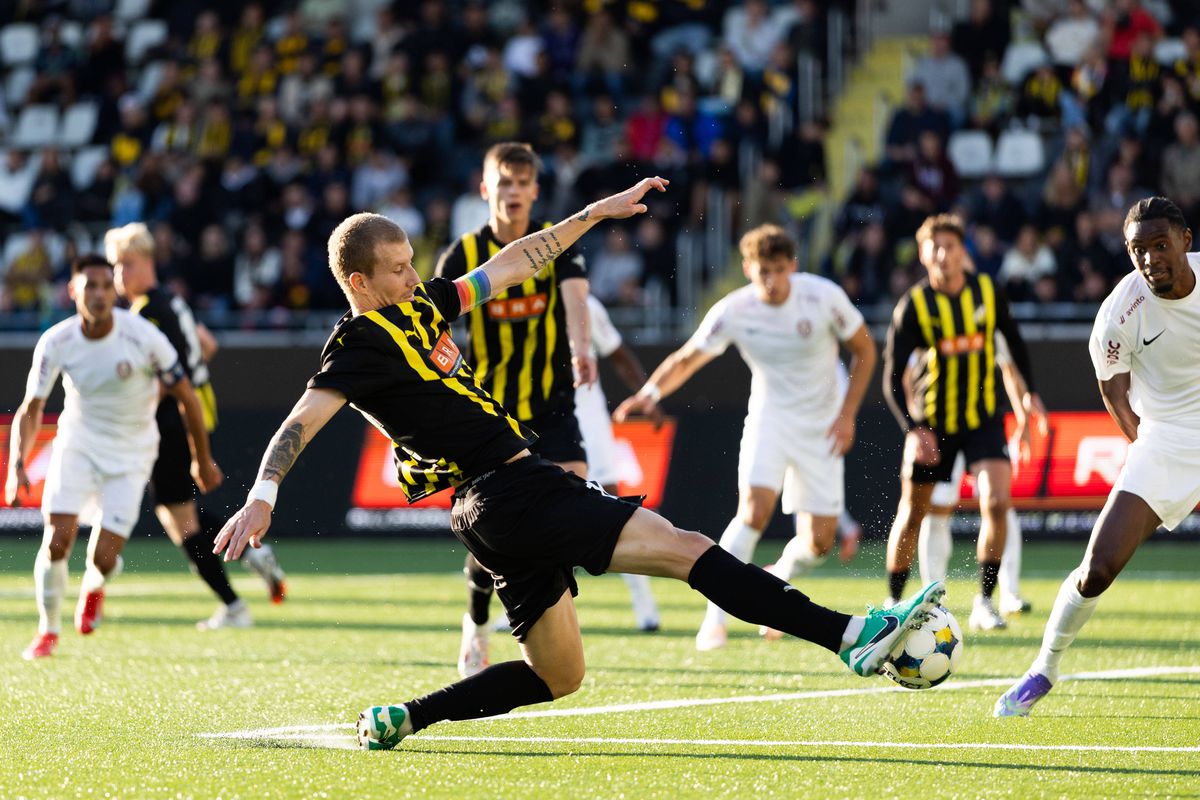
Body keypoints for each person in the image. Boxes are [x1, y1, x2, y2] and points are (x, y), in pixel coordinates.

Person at [212, 180, 946, 751]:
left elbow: (509, 262)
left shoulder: (425, 307)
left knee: (559, 676)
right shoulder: (359, 344)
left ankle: (408, 716)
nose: (412, 277)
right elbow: (300, 421)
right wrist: (262, 493)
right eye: (397, 270)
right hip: (511, 487)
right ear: (358, 282)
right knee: (691, 551)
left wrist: (593, 214)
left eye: (411, 265)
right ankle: (852, 636)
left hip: (488, 514)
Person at [616, 224, 879, 651]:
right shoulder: (734, 310)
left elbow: (865, 349)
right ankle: (714, 618)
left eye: (779, 270)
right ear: (747, 269)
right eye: (762, 272)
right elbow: (688, 358)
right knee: (753, 512)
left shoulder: (823, 296)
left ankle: (781, 576)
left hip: (822, 427)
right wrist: (650, 394)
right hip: (769, 420)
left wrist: (847, 415)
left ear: (793, 266)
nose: (772, 281)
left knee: (819, 542)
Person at [996, 197, 1200, 716]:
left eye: (1160, 245)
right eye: (1139, 250)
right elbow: (1113, 390)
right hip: (1168, 438)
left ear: (1185, 242)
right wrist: (1143, 446)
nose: (1151, 258)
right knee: (1100, 565)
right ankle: (1044, 666)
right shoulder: (1118, 313)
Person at [434, 143, 601, 677]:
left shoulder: (556, 242)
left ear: (534, 190)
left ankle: (543, 618)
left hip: (552, 403)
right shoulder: (460, 255)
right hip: (489, 413)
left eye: (522, 183)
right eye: (503, 183)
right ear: (486, 189)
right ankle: (478, 622)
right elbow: (434, 330)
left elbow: (577, 300)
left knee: (573, 502)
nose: (512, 192)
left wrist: (582, 349)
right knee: (490, 528)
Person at [8, 255, 222, 659]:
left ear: (115, 291)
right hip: (78, 445)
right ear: (73, 291)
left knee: (104, 557)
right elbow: (31, 408)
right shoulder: (56, 341)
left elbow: (188, 397)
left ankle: (94, 584)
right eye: (90, 285)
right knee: (56, 540)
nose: (101, 293)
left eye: (107, 285)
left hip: (131, 452)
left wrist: (202, 457)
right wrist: (16, 467)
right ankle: (47, 630)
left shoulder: (142, 336)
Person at [104, 223, 287, 630]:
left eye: (126, 264)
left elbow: (163, 376)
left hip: (173, 418)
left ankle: (234, 605)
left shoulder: (146, 312)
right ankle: (251, 555)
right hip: (197, 410)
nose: (119, 275)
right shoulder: (173, 300)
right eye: (117, 266)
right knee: (176, 511)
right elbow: (207, 345)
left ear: (147, 261)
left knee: (179, 519)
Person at [882, 214, 1043, 632]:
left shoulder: (988, 292)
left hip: (982, 418)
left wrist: (1030, 394)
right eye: (934, 247)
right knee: (914, 512)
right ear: (923, 254)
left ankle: (985, 602)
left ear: (962, 252)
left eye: (950, 246)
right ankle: (894, 601)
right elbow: (891, 377)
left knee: (996, 501)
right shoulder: (914, 306)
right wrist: (913, 428)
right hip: (933, 424)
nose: (943, 254)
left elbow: (1015, 342)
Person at [915, 331, 1047, 616]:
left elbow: (1009, 369)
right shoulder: (930, 317)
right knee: (937, 510)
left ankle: (1004, 593)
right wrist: (918, 425)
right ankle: (933, 597)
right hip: (943, 427)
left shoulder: (986, 320)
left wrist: (1022, 418)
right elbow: (910, 373)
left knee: (1000, 505)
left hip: (982, 428)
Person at [577, 294, 661, 632]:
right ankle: (520, 609)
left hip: (587, 421)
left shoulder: (585, 305)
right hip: (538, 424)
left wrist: (646, 395)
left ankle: (644, 601)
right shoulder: (517, 303)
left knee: (610, 506)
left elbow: (618, 353)